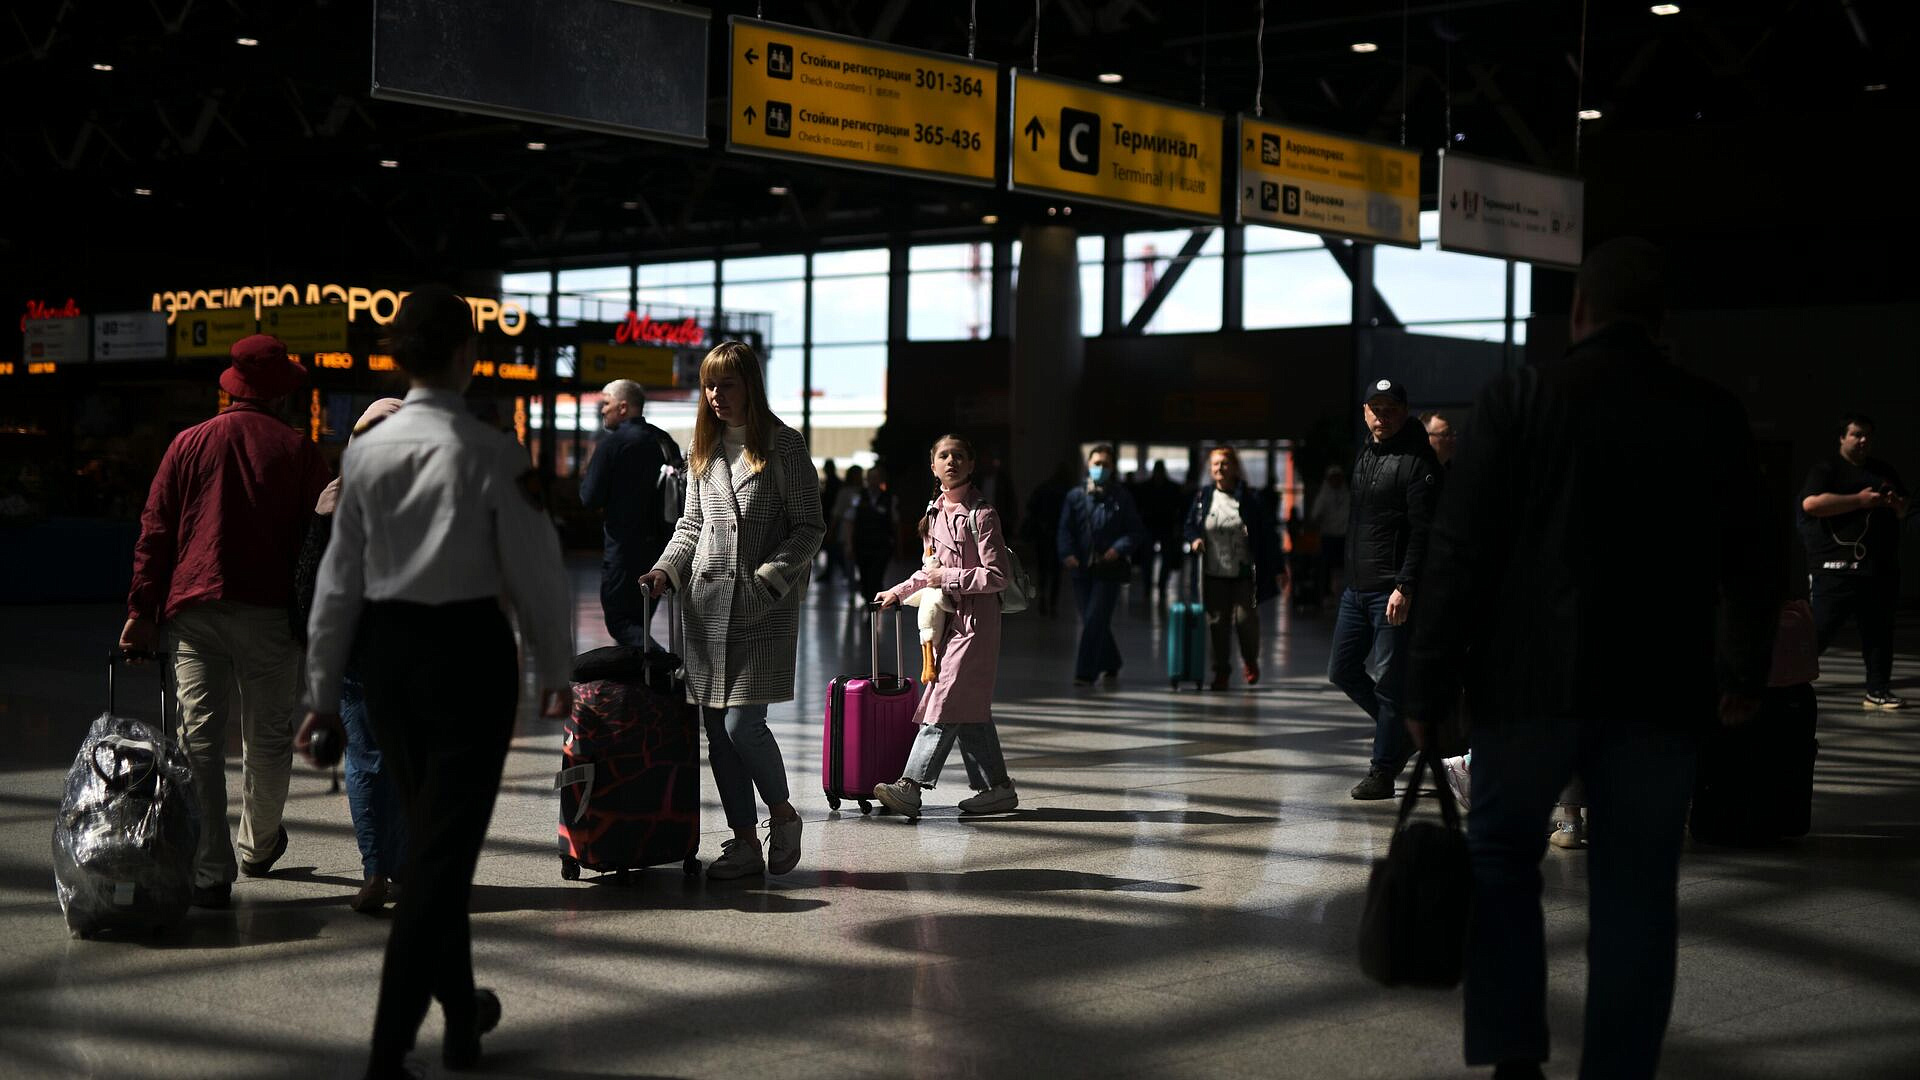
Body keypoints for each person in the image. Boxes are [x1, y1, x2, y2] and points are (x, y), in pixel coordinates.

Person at [1408, 238, 1781, 1080]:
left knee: (1503, 861)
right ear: (1661, 321)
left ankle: (1514, 1055)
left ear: (1578, 313)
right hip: (1658, 692)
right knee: (1638, 890)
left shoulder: (1518, 399)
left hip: (1528, 687)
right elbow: (1754, 558)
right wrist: (1741, 672)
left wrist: (1425, 682)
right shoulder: (1709, 411)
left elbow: (1458, 551)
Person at [296, 286, 575, 1078]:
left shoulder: (363, 455)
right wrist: (555, 667)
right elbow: (539, 573)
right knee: (440, 855)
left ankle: (461, 1017)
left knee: (433, 842)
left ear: (398, 359)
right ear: (467, 356)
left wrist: (322, 691)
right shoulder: (490, 452)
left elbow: (337, 584)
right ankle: (389, 1050)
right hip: (468, 657)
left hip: (387, 658)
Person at [120, 333, 332, 909]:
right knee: (266, 736)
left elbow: (155, 533)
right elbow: (320, 543)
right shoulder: (300, 452)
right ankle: (259, 846)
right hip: (269, 614)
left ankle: (210, 872)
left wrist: (141, 612)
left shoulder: (187, 444)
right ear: (283, 394)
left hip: (194, 610)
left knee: (199, 740)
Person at [638, 341, 824, 880]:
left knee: (744, 726)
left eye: (727, 384)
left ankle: (783, 815)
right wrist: (665, 570)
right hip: (706, 607)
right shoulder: (704, 448)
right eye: (709, 386)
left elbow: (810, 526)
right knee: (716, 731)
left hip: (763, 609)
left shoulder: (784, 446)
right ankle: (744, 841)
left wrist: (770, 581)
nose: (716, 396)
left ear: (751, 386)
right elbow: (691, 526)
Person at [293, 397, 410, 914]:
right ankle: (397, 868)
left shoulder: (336, 497)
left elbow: (311, 591)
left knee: (367, 763)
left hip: (363, 650)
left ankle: (377, 870)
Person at [872, 435, 1019, 817]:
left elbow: (997, 576)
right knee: (968, 706)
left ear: (971, 465)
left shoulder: (982, 515)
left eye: (958, 456)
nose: (950, 461)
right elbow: (929, 569)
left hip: (975, 624)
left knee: (942, 699)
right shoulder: (934, 513)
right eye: (943, 455)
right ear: (933, 466)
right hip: (948, 623)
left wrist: (947, 579)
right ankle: (996, 788)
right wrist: (899, 592)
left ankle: (911, 785)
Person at [1328, 378, 1441, 800]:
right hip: (1357, 588)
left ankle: (1382, 771)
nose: (1382, 416)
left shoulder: (1418, 461)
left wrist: (1405, 585)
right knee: (1342, 670)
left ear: (1405, 412)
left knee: (1390, 682)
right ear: (1364, 411)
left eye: (1390, 408)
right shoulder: (1366, 454)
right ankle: (1403, 735)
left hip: (1392, 591)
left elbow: (1422, 532)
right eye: (1375, 408)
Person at [1799, 413, 1910, 710]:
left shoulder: (1883, 471)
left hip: (1877, 568)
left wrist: (1895, 504)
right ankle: (1785, 683)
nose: (1863, 441)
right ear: (1842, 437)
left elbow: (1904, 509)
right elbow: (1811, 504)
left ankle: (1878, 690)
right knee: (1819, 630)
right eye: (1857, 434)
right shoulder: (1827, 470)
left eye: (1868, 436)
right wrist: (1859, 501)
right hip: (1835, 568)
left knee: (1879, 632)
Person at [579, 379, 679, 648]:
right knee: (640, 620)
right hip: (661, 551)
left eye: (607, 403)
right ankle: (641, 686)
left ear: (623, 407)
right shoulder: (664, 441)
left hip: (623, 552)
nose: (603, 410)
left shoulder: (613, 444)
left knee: (621, 623)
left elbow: (590, 497)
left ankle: (664, 668)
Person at [1183, 446, 1285, 690]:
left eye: (1225, 463)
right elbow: (1189, 526)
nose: (1219, 468)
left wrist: (1279, 567)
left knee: (1245, 620)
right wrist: (1195, 540)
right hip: (1213, 573)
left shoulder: (1250, 498)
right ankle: (1221, 671)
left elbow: (1269, 535)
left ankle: (1250, 660)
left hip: (1243, 573)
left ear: (1235, 468)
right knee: (1217, 624)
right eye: (1215, 464)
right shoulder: (1203, 497)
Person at [1057, 444, 1149, 687]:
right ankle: (1112, 661)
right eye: (1096, 463)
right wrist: (1066, 553)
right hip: (1081, 569)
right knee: (1091, 619)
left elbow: (1135, 530)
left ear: (1112, 468)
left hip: (1108, 570)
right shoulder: (1076, 496)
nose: (1100, 468)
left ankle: (1085, 672)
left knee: (1095, 618)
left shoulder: (1121, 497)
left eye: (1105, 465)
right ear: (1088, 465)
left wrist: (1118, 549)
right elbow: (1065, 529)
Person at [1023, 461, 1074, 615]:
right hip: (1057, 535)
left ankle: (1044, 598)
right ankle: (1052, 603)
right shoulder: (1066, 492)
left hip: (1043, 534)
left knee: (1043, 570)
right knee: (1056, 572)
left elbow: (1031, 506)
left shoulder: (1044, 488)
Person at [850, 464, 901, 603]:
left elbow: (895, 524)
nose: (873, 480)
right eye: (870, 477)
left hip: (881, 546)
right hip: (862, 544)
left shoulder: (890, 498)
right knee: (864, 578)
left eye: (876, 477)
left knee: (876, 577)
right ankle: (868, 602)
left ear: (881, 479)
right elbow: (851, 521)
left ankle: (873, 607)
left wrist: (898, 546)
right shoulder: (858, 497)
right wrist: (849, 544)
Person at [1139, 460, 1187, 602]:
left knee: (1164, 559)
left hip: (1164, 526)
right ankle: (1150, 587)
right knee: (1149, 559)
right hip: (1153, 525)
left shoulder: (1168, 487)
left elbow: (1178, 508)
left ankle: (1159, 586)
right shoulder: (1156, 487)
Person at [1308, 464, 1351, 597]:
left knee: (1344, 567)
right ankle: (1326, 594)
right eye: (1333, 478)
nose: (1336, 481)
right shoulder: (1324, 495)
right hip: (1328, 536)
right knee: (1326, 568)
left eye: (1338, 478)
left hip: (1344, 536)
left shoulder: (1346, 494)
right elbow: (1315, 515)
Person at [827, 464, 866, 603]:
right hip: (846, 532)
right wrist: (831, 530)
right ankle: (852, 588)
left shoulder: (864, 491)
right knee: (848, 562)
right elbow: (837, 513)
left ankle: (860, 587)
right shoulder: (845, 492)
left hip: (862, 532)